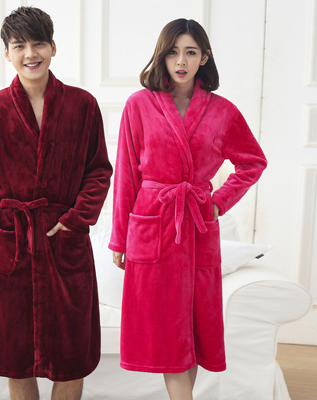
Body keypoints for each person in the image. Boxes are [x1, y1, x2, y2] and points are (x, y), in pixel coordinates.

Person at [109, 18, 267, 400]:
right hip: (153, 224)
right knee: (166, 331)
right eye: (173, 52)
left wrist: (217, 203)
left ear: (204, 58)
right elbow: (126, 174)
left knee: (193, 331)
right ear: (162, 57)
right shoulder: (139, 105)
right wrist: (119, 239)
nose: (181, 61)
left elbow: (252, 162)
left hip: (197, 226)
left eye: (190, 52)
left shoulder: (222, 111)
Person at [0, 6, 112, 400]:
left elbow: (99, 171)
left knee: (72, 355)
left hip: (66, 242)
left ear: (53, 47)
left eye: (39, 43)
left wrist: (75, 220)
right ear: (7, 53)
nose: (30, 54)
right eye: (19, 46)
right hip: (14, 244)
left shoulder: (83, 105)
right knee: (17, 356)